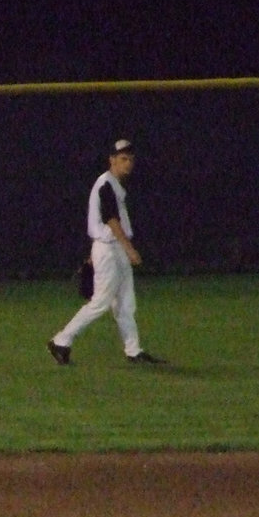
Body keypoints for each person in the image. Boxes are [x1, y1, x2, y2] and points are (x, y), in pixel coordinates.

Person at [48, 138, 165, 365]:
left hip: (113, 249)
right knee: (101, 302)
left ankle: (133, 350)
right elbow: (110, 220)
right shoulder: (106, 184)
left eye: (130, 159)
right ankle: (61, 340)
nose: (128, 163)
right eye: (123, 159)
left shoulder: (113, 184)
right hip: (110, 249)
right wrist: (129, 249)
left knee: (126, 303)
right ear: (112, 160)